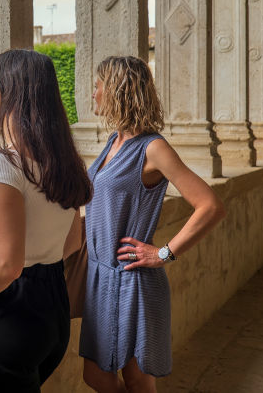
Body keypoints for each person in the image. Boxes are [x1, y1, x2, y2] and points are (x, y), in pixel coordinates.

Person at [0, 48, 93, 392]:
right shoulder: (64, 162)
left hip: (9, 313)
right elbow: (72, 242)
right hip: (52, 308)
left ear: (16, 90)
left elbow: (8, 266)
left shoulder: (5, 163)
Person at [78, 56, 225, 393]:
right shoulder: (114, 142)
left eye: (98, 86)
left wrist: (163, 253)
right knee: (99, 375)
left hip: (132, 281)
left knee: (135, 378)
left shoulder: (153, 147)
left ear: (116, 90)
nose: (93, 94)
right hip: (101, 278)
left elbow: (211, 206)